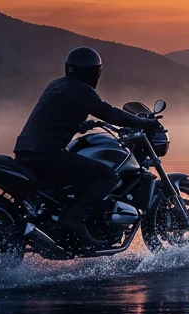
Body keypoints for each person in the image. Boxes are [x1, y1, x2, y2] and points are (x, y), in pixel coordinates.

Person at [14, 47, 161, 247]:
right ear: (94, 72)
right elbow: (108, 112)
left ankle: (61, 221)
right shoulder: (81, 89)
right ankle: (74, 220)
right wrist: (143, 123)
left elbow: (54, 116)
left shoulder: (56, 85)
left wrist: (83, 125)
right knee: (108, 176)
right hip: (48, 156)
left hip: (25, 153)